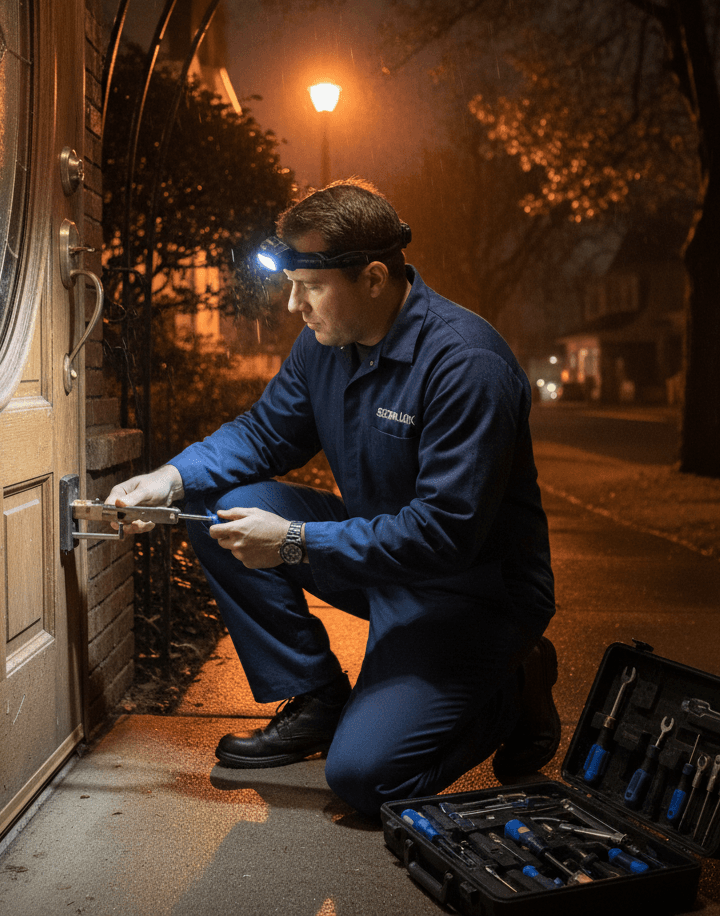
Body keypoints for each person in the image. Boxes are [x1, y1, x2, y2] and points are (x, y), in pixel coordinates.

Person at [106, 178, 558, 819]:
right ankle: (317, 697)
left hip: (473, 593)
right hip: (386, 563)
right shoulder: (326, 346)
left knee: (363, 781)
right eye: (291, 285)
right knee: (225, 509)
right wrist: (169, 480)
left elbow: (445, 533)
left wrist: (292, 540)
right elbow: (266, 433)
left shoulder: (465, 364)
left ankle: (513, 685)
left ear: (374, 279)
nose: (294, 305)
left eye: (309, 287)